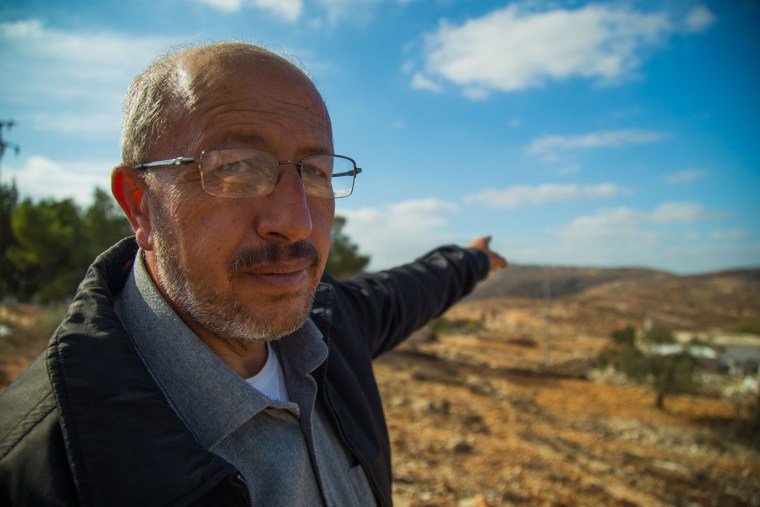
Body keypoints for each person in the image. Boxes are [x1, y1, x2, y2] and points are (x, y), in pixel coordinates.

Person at [0, 42, 507, 506]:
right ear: (141, 205)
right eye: (237, 167)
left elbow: (407, 292)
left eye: (315, 172)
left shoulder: (329, 327)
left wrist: (474, 260)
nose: (295, 222)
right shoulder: (43, 470)